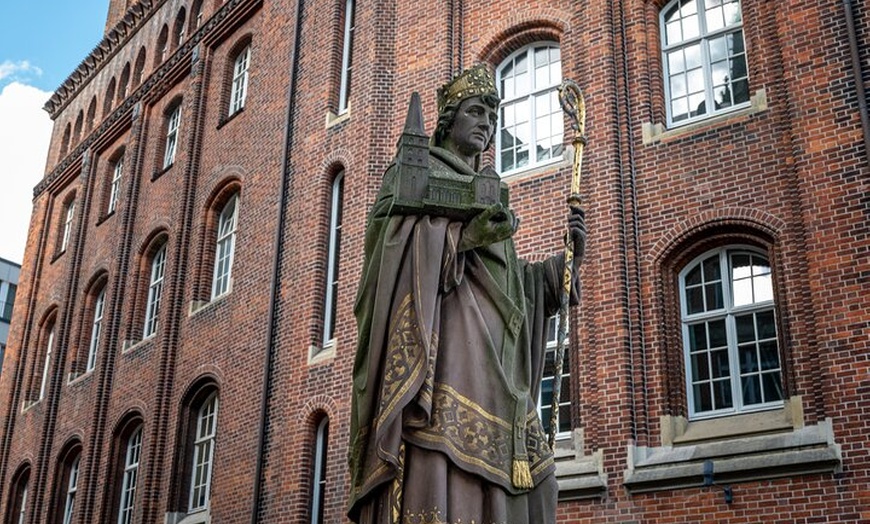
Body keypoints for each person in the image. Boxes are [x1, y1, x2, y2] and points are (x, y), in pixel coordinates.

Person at [348, 64, 586, 524]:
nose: (487, 124)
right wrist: (462, 239)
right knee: (445, 466)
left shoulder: (491, 189)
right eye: (476, 112)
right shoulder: (414, 172)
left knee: (539, 480)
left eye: (493, 118)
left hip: (498, 369)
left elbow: (509, 283)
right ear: (447, 120)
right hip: (443, 366)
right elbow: (388, 259)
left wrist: (560, 270)